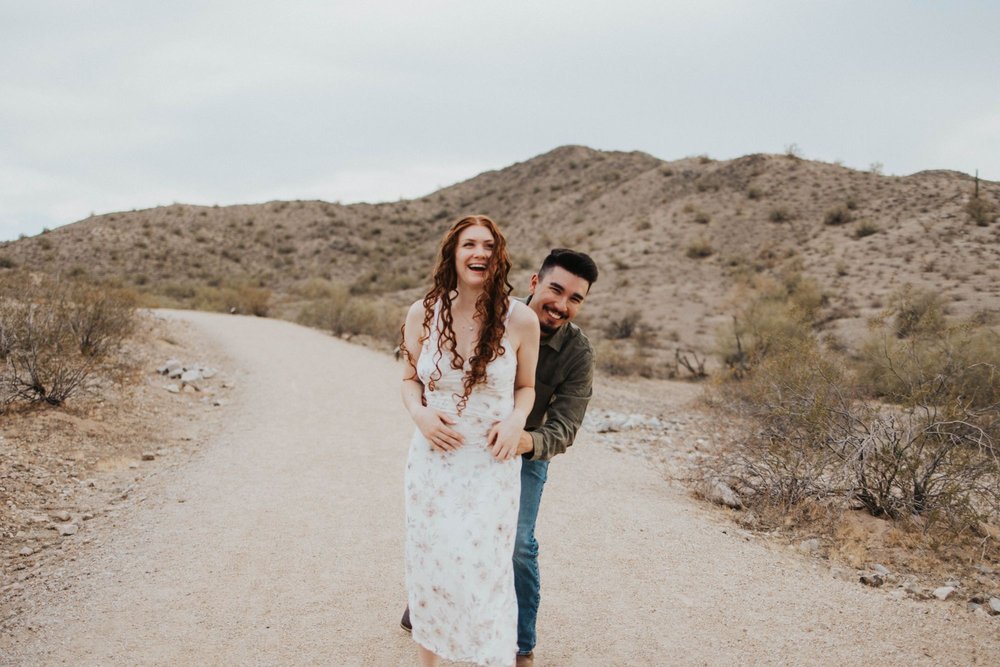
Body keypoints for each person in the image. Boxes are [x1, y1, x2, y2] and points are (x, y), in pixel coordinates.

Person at [403, 248, 599, 667]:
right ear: (535, 283)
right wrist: (426, 414)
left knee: (517, 544)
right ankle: (433, 613)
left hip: (524, 452)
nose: (561, 305)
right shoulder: (491, 313)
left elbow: (565, 426)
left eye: (575, 299)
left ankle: (520, 646)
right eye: (555, 290)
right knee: (443, 532)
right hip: (463, 443)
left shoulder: (577, 353)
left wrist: (521, 437)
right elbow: (430, 368)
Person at [400, 215, 540, 667]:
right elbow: (408, 378)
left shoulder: (521, 319)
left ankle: (489, 658)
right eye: (469, 245)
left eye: (488, 246)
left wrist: (517, 421)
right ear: (453, 254)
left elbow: (526, 387)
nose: (479, 253)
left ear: (499, 257)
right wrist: (421, 414)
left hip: (491, 460)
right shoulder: (422, 312)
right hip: (432, 460)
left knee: (484, 569)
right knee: (431, 562)